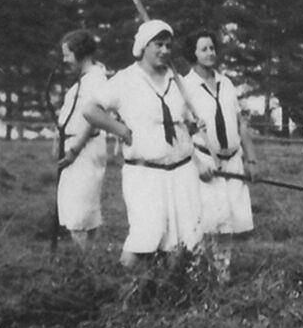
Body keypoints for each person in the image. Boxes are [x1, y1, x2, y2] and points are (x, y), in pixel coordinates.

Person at [82, 20, 204, 266]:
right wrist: (120, 129)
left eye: (168, 45)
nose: (164, 51)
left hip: (181, 170)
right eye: (158, 44)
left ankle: (168, 295)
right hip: (145, 172)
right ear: (142, 46)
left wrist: (191, 125)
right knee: (144, 238)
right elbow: (90, 109)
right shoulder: (126, 79)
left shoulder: (176, 80)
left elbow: (184, 119)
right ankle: (121, 293)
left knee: (182, 241)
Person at [179, 30, 257, 273]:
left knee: (228, 223)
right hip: (204, 160)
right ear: (193, 53)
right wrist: (196, 162)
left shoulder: (226, 83)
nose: (210, 53)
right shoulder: (185, 87)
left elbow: (240, 122)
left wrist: (251, 158)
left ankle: (222, 273)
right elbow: (179, 131)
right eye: (204, 49)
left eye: (212, 48)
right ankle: (198, 275)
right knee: (205, 221)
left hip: (231, 159)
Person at [54, 29, 110, 248]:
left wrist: (74, 150)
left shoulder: (95, 79)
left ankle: (85, 267)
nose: (65, 59)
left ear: (79, 53)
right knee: (83, 211)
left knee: (79, 213)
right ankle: (90, 263)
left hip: (83, 149)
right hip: (79, 148)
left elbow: (93, 118)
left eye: (67, 54)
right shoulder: (87, 79)